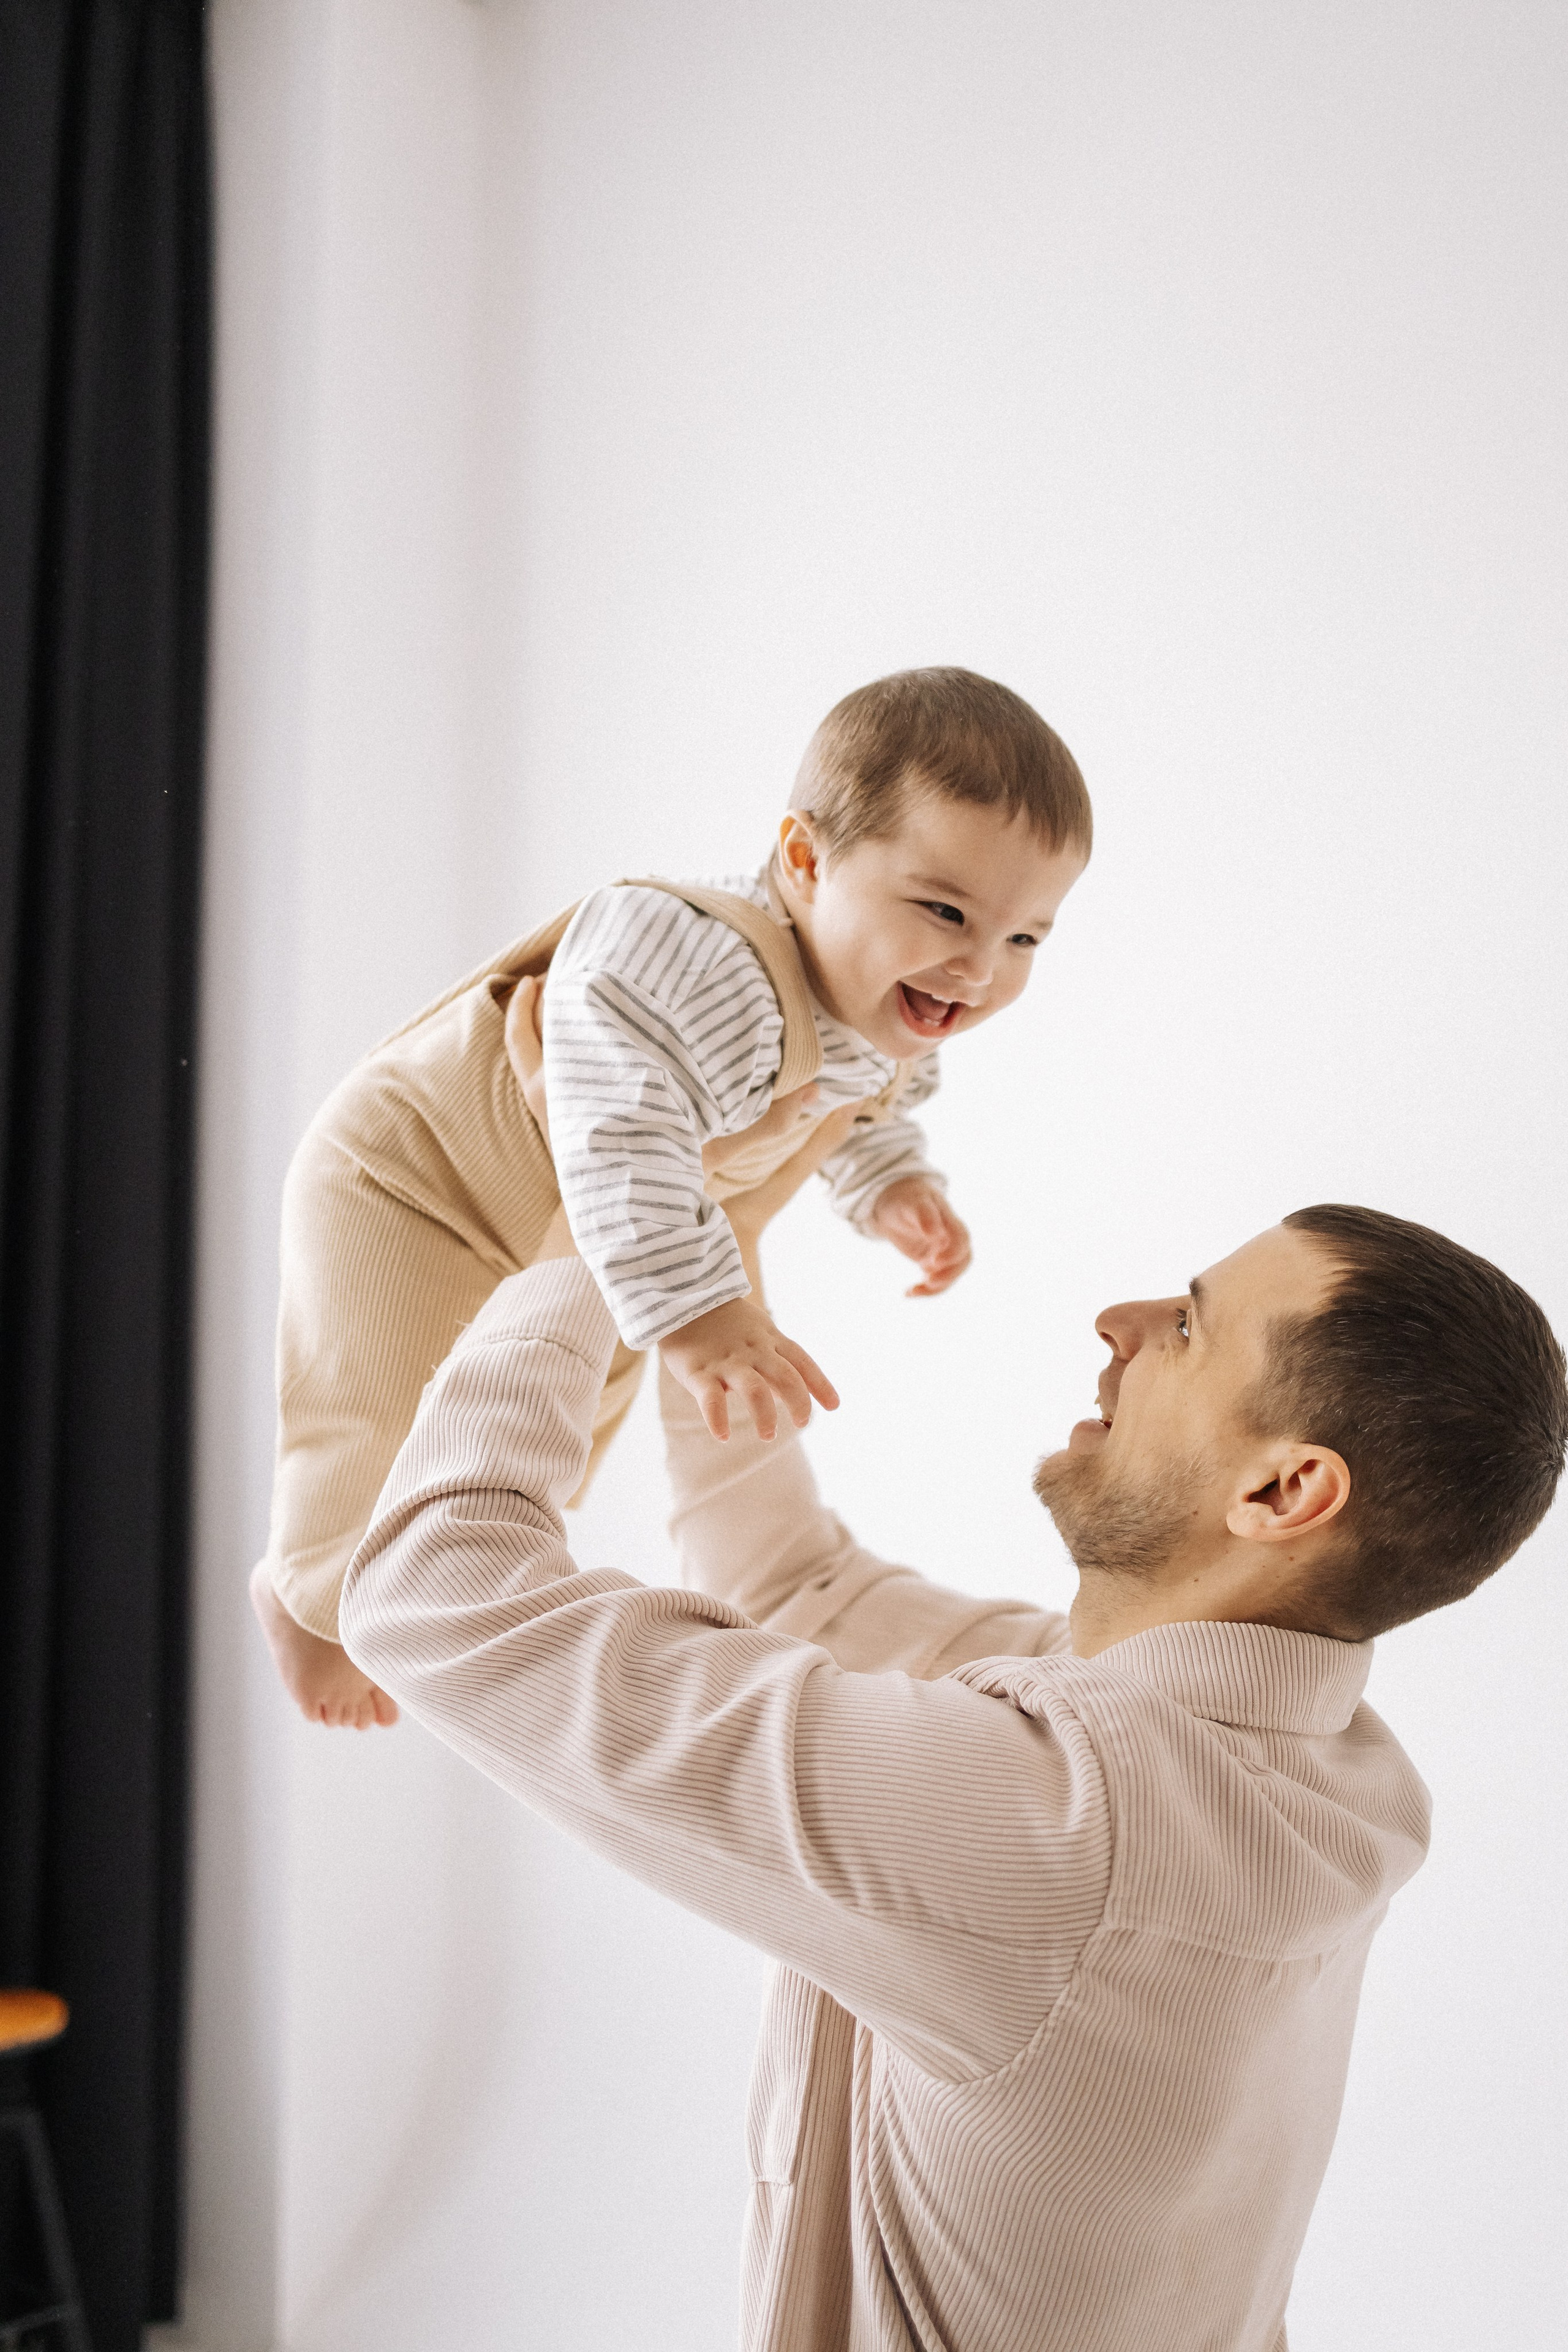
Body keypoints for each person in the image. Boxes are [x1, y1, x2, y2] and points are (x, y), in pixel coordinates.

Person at [339, 1077, 1566, 2352]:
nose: (1121, 1320)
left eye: (1188, 1328)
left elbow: (434, 1595)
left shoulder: (1065, 1826)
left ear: (1282, 1491)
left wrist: (599, 1222)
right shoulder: (1325, 1772)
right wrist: (707, 1268)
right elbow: (799, 1594)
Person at [252, 666, 1091, 1727]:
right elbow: (621, 1125)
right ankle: (309, 1595)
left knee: (549, 1435)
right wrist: (701, 1314)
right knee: (378, 1411)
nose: (978, 967)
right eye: (945, 911)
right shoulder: (693, 957)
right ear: (805, 860)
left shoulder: (884, 1016)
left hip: (587, 1232)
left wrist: (892, 1187)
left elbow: (861, 1109)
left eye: (1024, 938)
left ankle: (389, 1597)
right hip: (416, 1182)